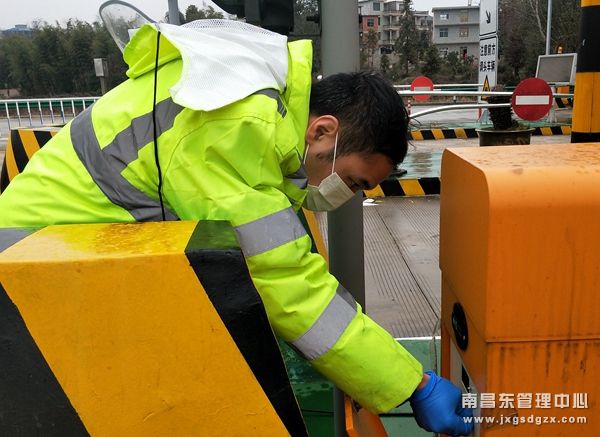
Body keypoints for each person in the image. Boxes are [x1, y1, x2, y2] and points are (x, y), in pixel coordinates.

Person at [0, 20, 473, 436]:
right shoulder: (235, 127)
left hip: (52, 254)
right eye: (352, 180)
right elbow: (287, 286)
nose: (345, 194)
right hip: (27, 273)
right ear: (323, 131)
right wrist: (412, 383)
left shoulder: (253, 100)